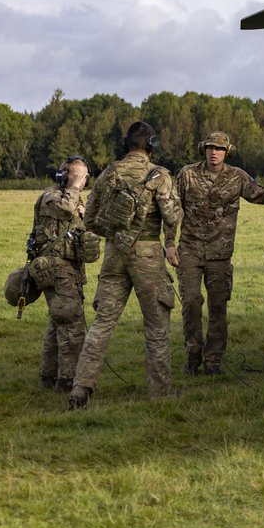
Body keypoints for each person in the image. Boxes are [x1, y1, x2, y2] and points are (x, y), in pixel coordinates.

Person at [69, 121, 182, 408]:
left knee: (102, 324)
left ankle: (80, 388)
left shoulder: (109, 173)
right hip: (148, 255)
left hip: (114, 254)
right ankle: (160, 393)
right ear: (150, 145)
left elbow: (91, 218)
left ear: (126, 144)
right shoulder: (159, 175)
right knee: (156, 327)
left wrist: (116, 232)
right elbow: (172, 217)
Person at [170, 131, 264, 376]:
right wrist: (169, 243)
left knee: (218, 308)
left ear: (227, 152)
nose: (214, 152)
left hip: (220, 254)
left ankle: (213, 362)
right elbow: (172, 209)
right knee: (191, 304)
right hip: (190, 251)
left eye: (219, 149)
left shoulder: (238, 177)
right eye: (210, 148)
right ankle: (192, 358)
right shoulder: (188, 174)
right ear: (203, 149)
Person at [29, 155, 97, 393]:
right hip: (55, 270)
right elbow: (65, 210)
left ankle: (48, 377)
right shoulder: (51, 196)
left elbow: (92, 225)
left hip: (71, 270)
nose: (80, 181)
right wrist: (75, 189)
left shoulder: (76, 200)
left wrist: (84, 209)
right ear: (62, 175)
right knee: (71, 325)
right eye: (76, 175)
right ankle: (67, 380)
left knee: (57, 324)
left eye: (83, 177)